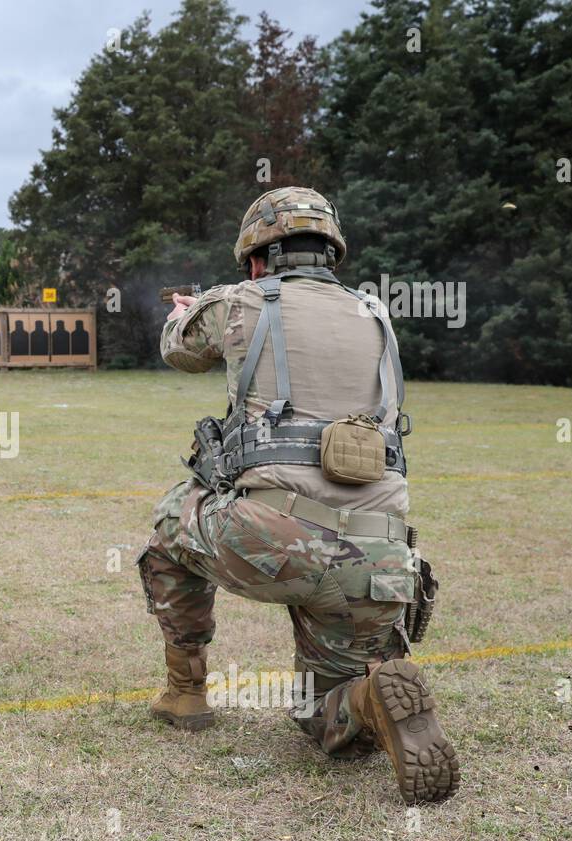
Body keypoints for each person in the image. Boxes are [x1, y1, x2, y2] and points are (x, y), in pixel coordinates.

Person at [138, 186, 457, 805]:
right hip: (382, 560)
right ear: (330, 252)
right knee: (322, 714)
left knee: (171, 521)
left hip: (275, 538)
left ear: (257, 257)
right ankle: (367, 699)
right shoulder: (377, 314)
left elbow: (178, 351)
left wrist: (186, 309)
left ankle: (185, 693)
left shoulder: (239, 302)